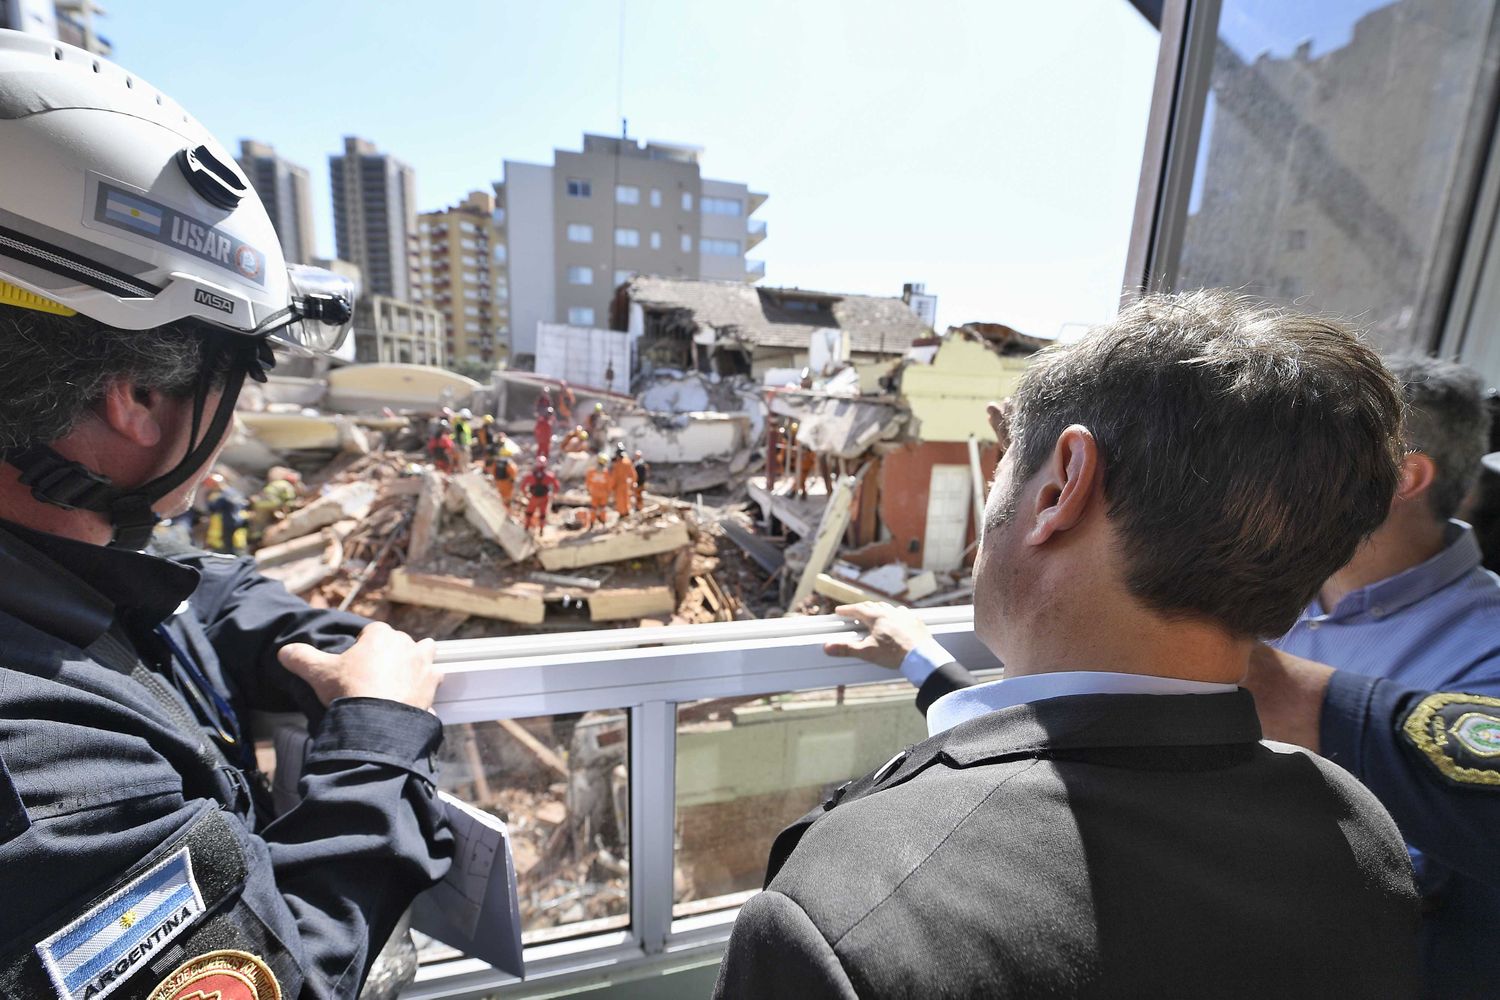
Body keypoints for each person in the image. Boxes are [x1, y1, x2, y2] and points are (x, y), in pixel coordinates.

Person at [716, 290, 1420, 998]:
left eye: (1002, 470)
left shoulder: (848, 910)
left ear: (1059, 490)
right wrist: (920, 657)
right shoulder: (1355, 832)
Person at [0, 32, 449, 1000]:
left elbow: (188, 583)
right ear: (135, 394)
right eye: (234, 375)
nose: (238, 416)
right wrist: (378, 738)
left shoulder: (51, 569)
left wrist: (304, 638)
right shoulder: (50, 781)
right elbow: (296, 974)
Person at [1245, 355, 1499, 996]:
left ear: (1404, 477)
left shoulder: (1487, 654)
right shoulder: (1259, 580)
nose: (1271, 470)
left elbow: (1402, 884)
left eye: (1308, 449)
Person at [201, 473, 248, 555]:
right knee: (238, 542)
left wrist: (210, 500)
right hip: (240, 520)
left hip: (229, 522)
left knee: (228, 544)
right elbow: (244, 504)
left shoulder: (222, 496)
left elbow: (213, 508)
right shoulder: (235, 492)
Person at [519, 456, 560, 533]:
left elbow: (522, 486)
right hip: (544, 498)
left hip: (533, 498)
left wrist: (526, 494)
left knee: (529, 513)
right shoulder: (549, 475)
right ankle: (541, 530)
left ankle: (526, 528)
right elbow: (557, 486)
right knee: (542, 515)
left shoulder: (530, 475)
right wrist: (553, 494)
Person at [584, 454, 613, 529]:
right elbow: (609, 484)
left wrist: (588, 490)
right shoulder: (606, 473)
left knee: (593, 509)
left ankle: (592, 524)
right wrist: (609, 493)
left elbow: (587, 483)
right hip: (603, 494)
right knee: (602, 509)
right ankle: (603, 523)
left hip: (594, 493)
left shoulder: (591, 471)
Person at [610, 446, 637, 519]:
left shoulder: (617, 464)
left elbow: (614, 477)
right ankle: (627, 512)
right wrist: (633, 482)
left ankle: (622, 514)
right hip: (626, 484)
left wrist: (612, 487)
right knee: (626, 498)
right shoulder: (628, 461)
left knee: (620, 500)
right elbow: (633, 474)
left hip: (619, 485)